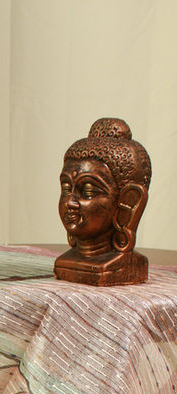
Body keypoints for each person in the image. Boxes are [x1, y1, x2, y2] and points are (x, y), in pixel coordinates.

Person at [54, 117, 151, 285]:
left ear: (128, 202)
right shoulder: (65, 260)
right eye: (67, 189)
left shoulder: (118, 266)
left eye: (88, 191)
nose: (70, 202)